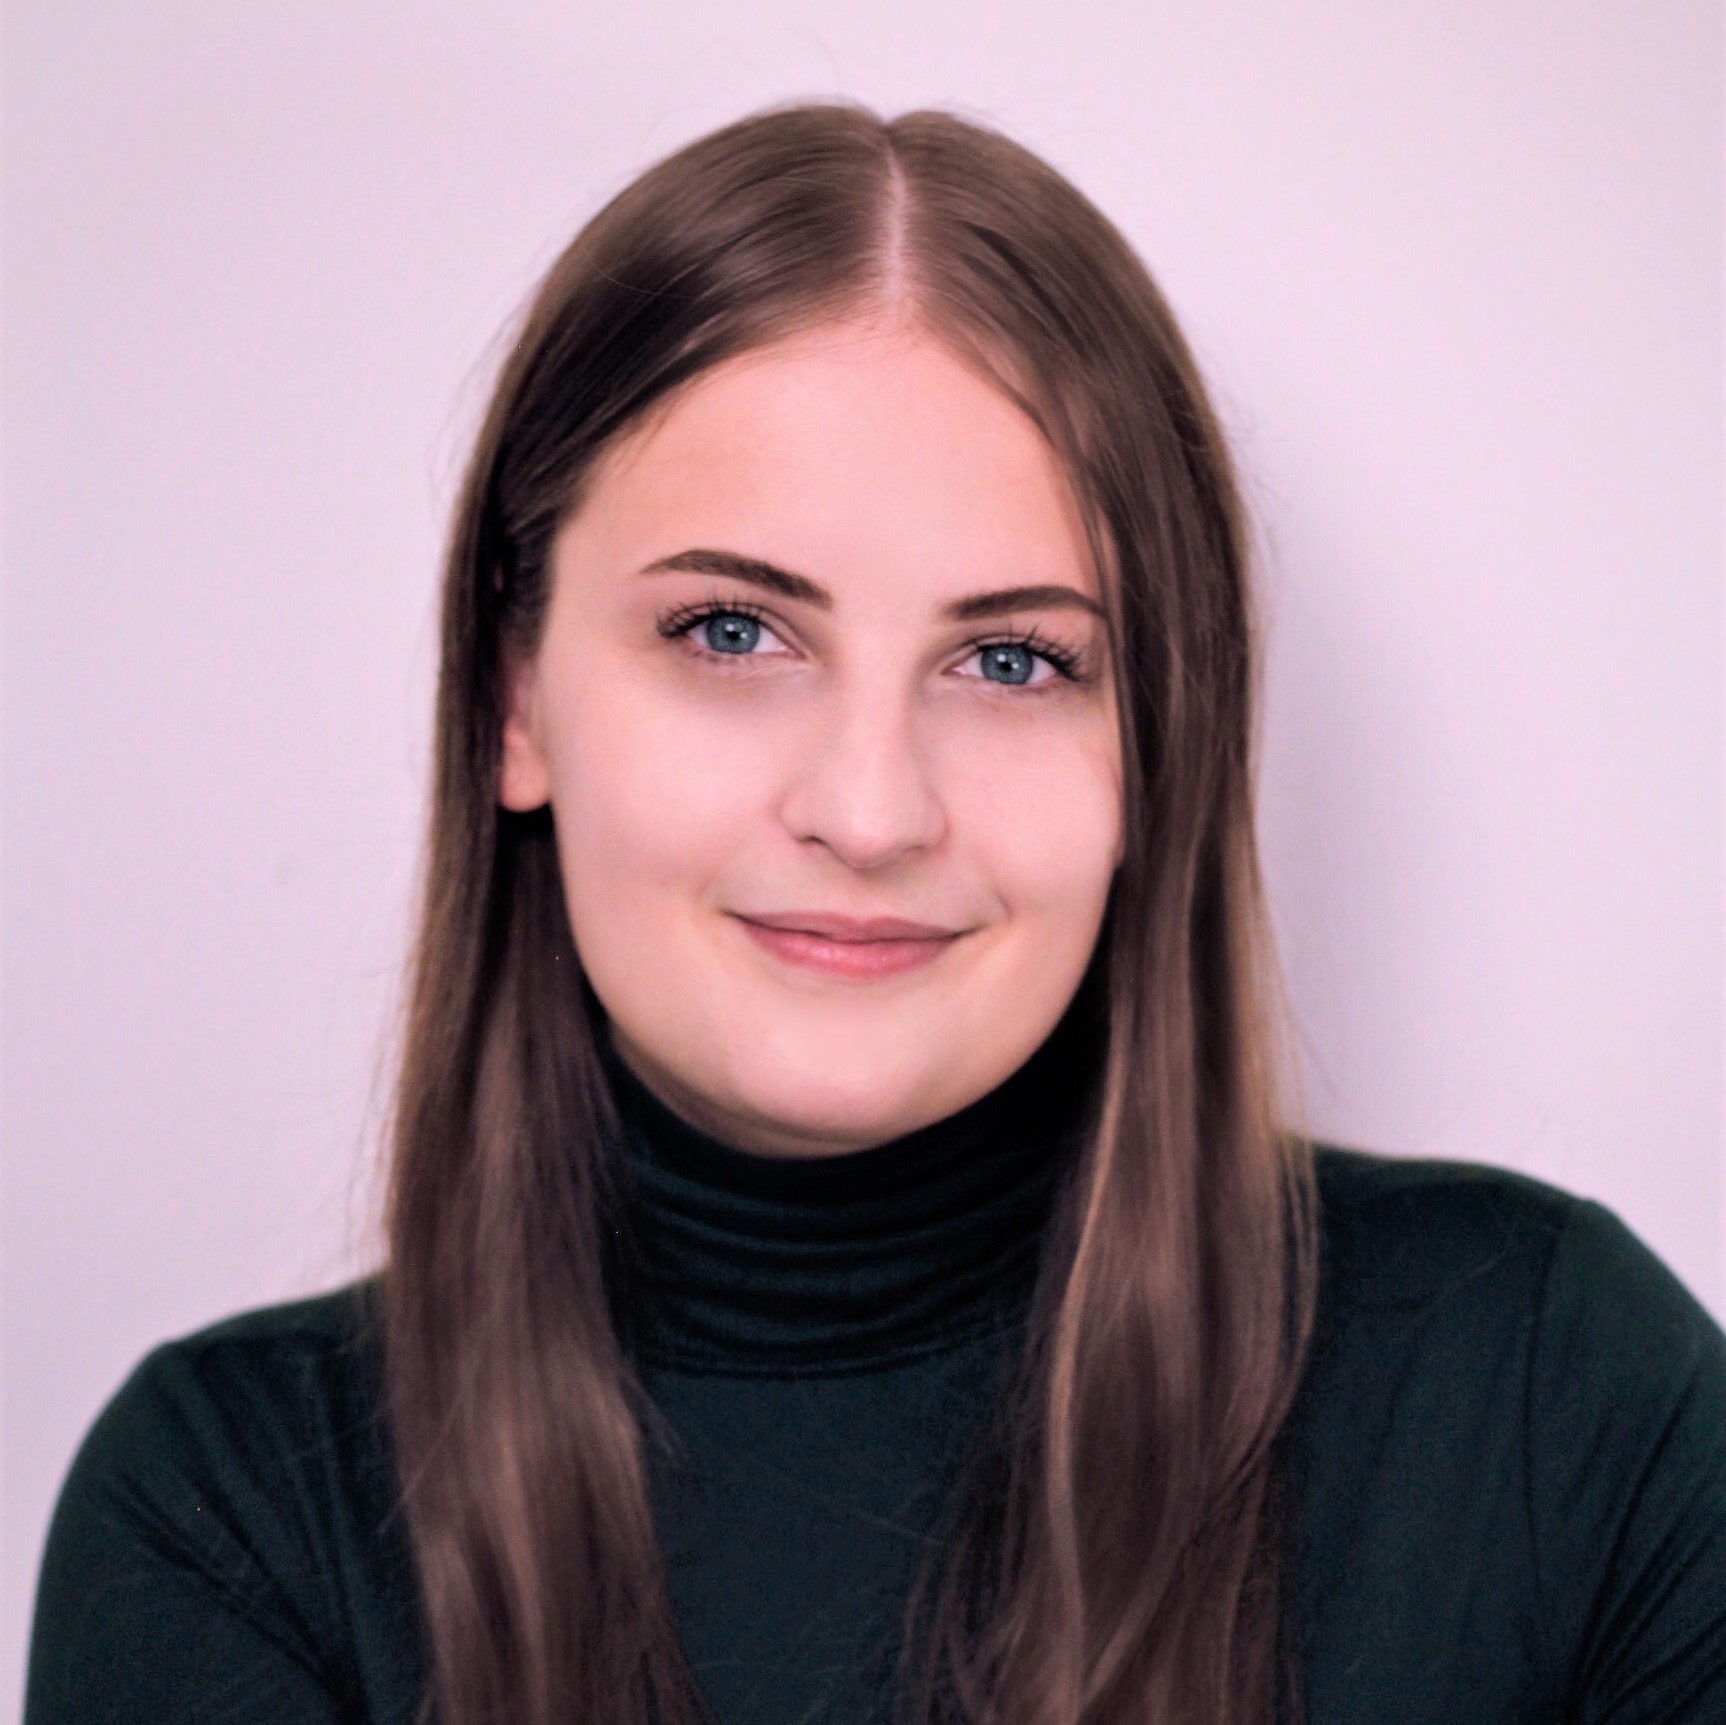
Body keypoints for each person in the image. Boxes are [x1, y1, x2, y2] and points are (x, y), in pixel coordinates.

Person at [22, 100, 1726, 1725]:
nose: (867, 807)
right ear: (515, 699)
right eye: (730, 632)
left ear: (1162, 754)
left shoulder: (1546, 1395)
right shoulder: (234, 1514)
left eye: (1011, 661)